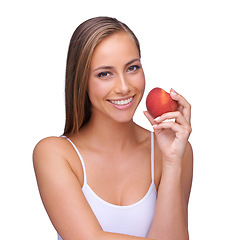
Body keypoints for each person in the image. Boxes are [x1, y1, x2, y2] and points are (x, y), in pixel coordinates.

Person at [33, 16, 193, 240]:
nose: (124, 87)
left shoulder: (173, 151)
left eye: (132, 68)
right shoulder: (55, 153)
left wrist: (173, 161)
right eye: (104, 74)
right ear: (82, 81)